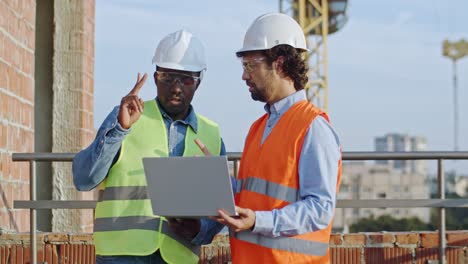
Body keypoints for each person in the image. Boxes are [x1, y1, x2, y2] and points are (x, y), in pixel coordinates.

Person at [72, 30, 225, 264]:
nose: (176, 88)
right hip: (121, 256)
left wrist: (199, 229)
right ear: (155, 78)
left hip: (178, 256)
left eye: (185, 79)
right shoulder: (126, 117)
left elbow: (218, 213)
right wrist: (119, 130)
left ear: (198, 82)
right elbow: (84, 178)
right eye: (167, 77)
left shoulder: (211, 135)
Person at [215, 13, 342, 263]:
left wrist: (258, 221)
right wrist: (216, 180)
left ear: (279, 63)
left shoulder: (313, 127)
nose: (244, 76)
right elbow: (253, 195)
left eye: (250, 65)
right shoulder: (257, 128)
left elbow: (319, 209)